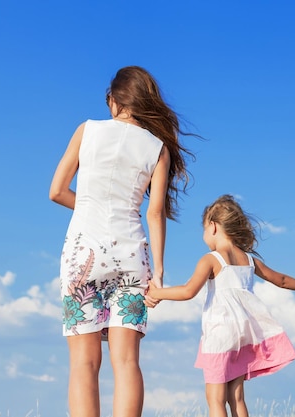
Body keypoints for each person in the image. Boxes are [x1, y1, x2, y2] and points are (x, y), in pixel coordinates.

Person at [49, 65, 194, 417]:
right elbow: (155, 213)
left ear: (113, 100)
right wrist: (159, 272)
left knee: (84, 363)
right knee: (127, 361)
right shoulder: (158, 147)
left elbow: (56, 191)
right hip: (131, 258)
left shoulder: (88, 130)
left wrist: (87, 204)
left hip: (82, 255)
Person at [146, 194, 295, 417]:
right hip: (243, 335)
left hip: (220, 333)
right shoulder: (249, 260)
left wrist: (158, 293)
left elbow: (188, 291)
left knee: (215, 399)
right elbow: (281, 280)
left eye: (203, 229)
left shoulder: (211, 259)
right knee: (237, 397)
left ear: (212, 227)